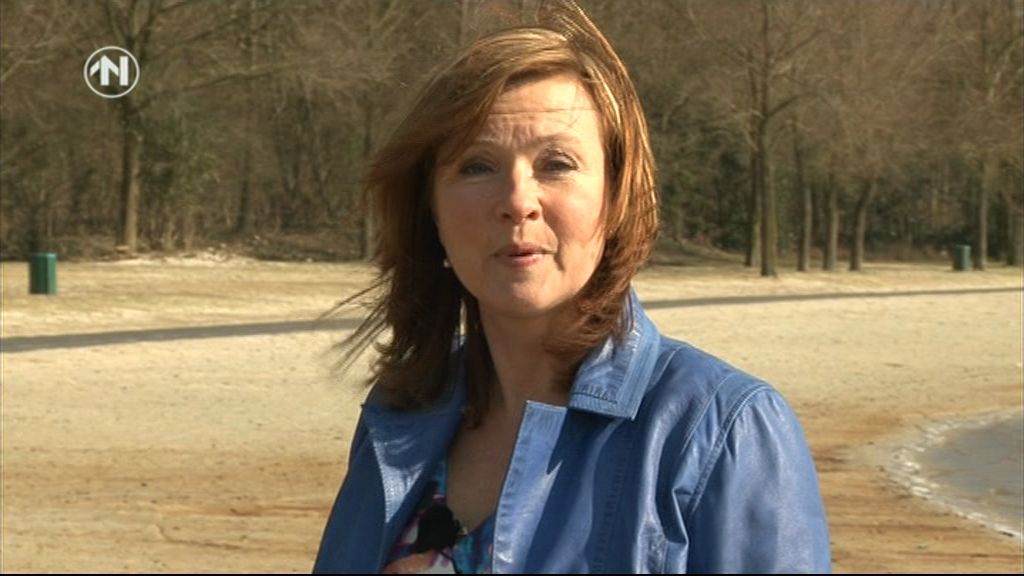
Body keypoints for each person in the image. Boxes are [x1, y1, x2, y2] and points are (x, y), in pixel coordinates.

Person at [314, 1, 830, 573]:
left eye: (556, 163)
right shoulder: (401, 415)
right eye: (477, 165)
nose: (518, 201)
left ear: (617, 196)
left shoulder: (721, 430)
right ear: (429, 208)